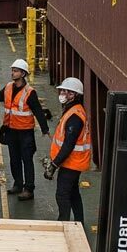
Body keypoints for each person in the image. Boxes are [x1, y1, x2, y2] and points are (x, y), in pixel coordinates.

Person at [0, 59, 50, 201]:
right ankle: (18, 184)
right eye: (12, 70)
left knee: (27, 161)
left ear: (23, 74)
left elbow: (38, 111)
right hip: (11, 131)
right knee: (14, 160)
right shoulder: (8, 87)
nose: (12, 73)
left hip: (25, 133)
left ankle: (29, 189)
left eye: (15, 71)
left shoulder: (30, 92)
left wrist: (45, 129)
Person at [43, 77, 92, 223]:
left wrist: (54, 164)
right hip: (72, 162)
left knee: (62, 194)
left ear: (75, 95)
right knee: (73, 193)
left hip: (72, 163)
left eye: (67, 92)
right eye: (63, 90)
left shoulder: (75, 117)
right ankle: (79, 222)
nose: (63, 93)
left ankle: (63, 223)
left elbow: (68, 145)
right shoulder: (72, 110)